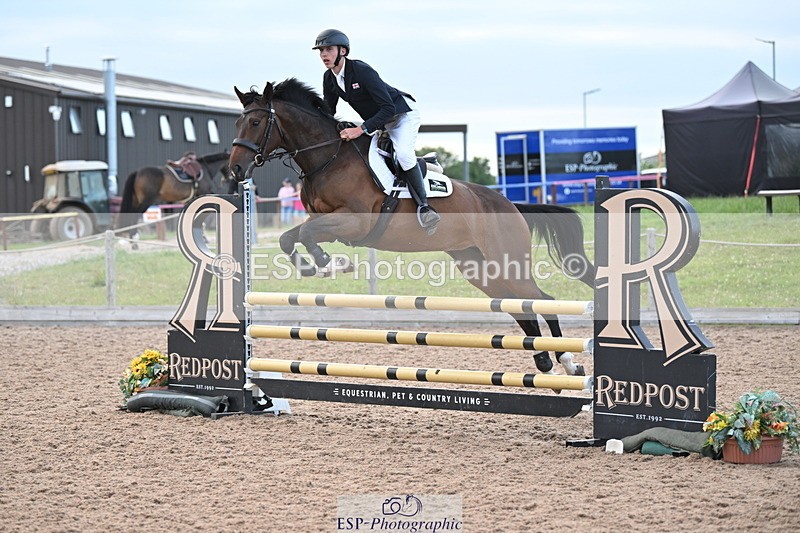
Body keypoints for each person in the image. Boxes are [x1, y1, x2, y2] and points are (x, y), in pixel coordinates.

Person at [312, 28, 440, 233]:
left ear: (342, 51)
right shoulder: (330, 78)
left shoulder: (361, 71)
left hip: (401, 114)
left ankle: (425, 208)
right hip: (380, 120)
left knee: (404, 155)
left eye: (328, 49)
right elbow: (329, 111)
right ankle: (425, 163)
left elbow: (388, 108)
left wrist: (360, 129)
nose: (323, 55)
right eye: (320, 51)